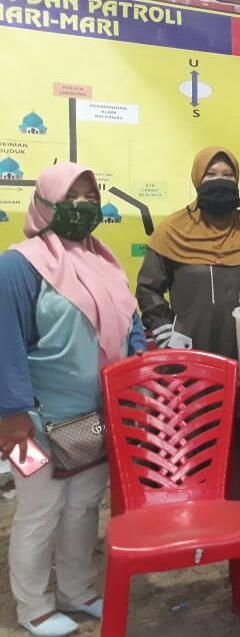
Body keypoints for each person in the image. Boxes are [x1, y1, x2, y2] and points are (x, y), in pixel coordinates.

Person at [0, 163, 144, 637]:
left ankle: (76, 591)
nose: (84, 205)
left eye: (91, 196)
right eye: (71, 196)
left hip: (96, 418)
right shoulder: (17, 266)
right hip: (30, 422)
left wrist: (137, 372)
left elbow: (130, 322)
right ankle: (33, 606)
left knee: (83, 505)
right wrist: (10, 415)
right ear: (45, 203)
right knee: (38, 511)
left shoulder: (105, 261)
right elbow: (3, 343)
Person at [136, 147, 240, 537]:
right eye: (212, 174)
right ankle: (196, 516)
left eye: (228, 175)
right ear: (198, 179)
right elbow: (148, 288)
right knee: (194, 435)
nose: (221, 181)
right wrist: (164, 328)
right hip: (193, 353)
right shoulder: (172, 232)